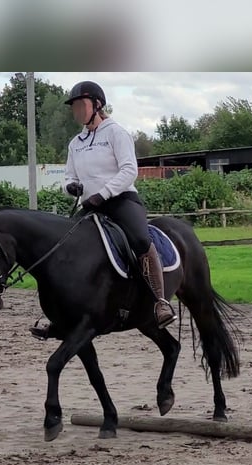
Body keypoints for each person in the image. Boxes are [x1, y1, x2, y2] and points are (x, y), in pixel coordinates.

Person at [30, 80, 176, 340]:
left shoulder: (116, 133)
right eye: (73, 107)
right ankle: (60, 316)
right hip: (89, 205)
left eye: (80, 105)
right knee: (62, 247)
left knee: (141, 240)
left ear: (97, 104)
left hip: (121, 201)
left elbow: (129, 170)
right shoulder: (76, 143)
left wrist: (104, 193)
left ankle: (160, 302)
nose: (76, 111)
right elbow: (68, 176)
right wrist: (71, 187)